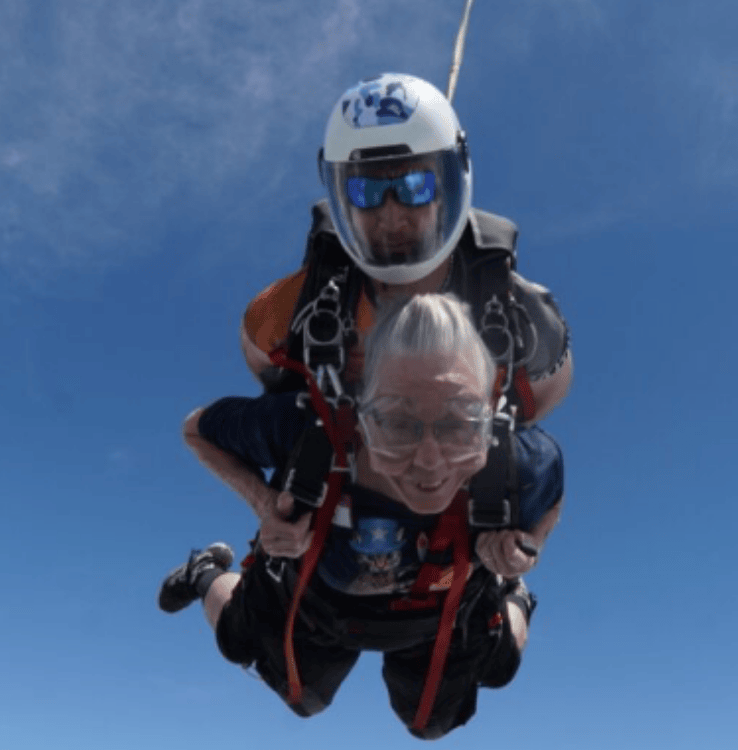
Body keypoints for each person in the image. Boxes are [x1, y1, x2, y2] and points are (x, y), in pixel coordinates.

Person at [161, 293, 564, 739]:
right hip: (318, 600)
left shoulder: (520, 460)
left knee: (447, 710)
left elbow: (551, 496)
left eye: (458, 424)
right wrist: (262, 503)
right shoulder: (307, 427)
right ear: (362, 412)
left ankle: (515, 593)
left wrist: (528, 548)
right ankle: (205, 573)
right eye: (397, 422)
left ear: (489, 420)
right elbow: (197, 430)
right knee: (279, 676)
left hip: (440, 609)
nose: (429, 461)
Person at [240, 72, 573, 424]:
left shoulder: (523, 318)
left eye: (415, 186)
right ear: (340, 198)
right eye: (364, 192)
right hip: (342, 458)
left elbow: (542, 399)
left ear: (448, 191)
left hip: (455, 465)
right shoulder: (297, 305)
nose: (391, 216)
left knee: (532, 462)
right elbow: (261, 360)